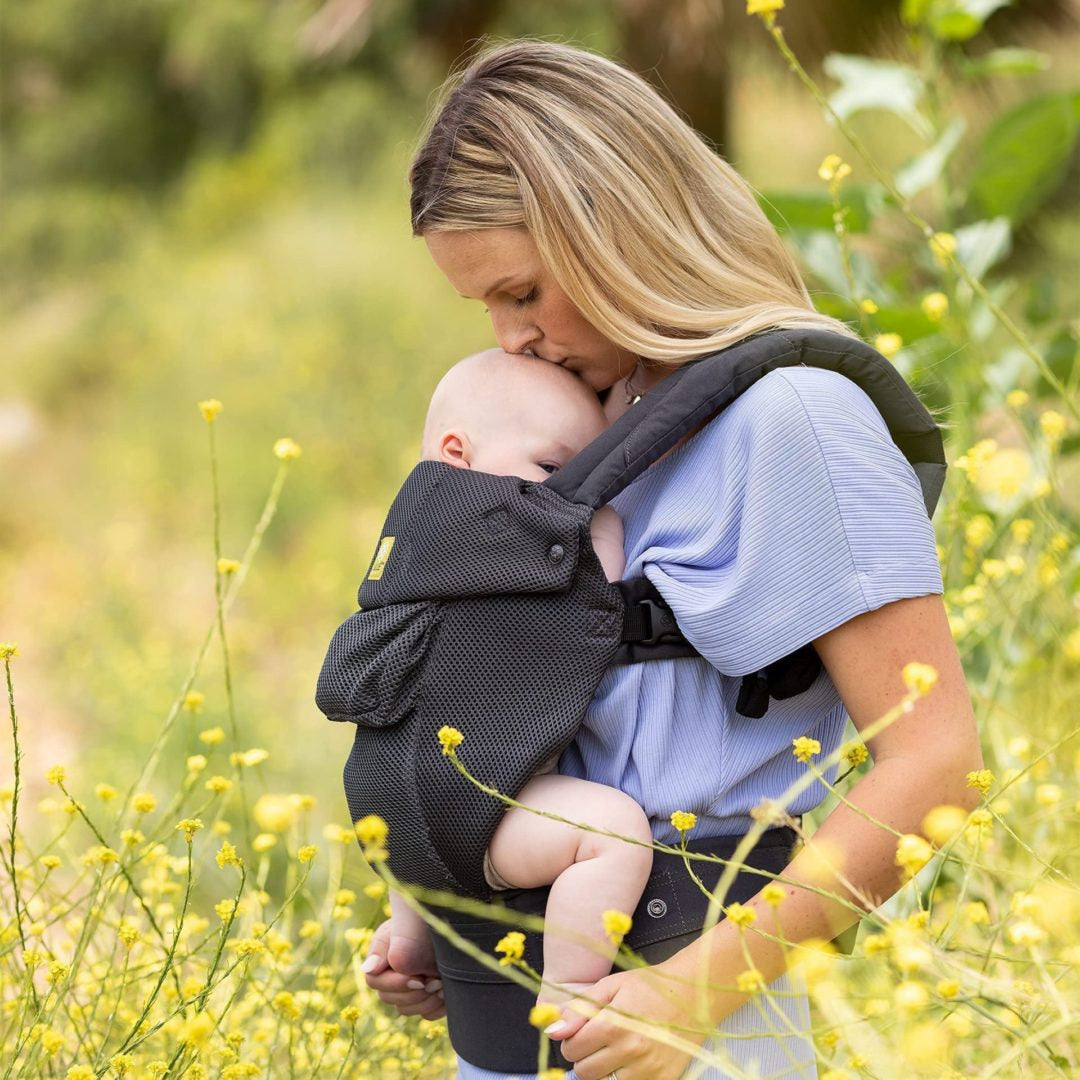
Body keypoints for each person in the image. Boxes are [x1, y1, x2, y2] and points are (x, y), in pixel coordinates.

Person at [361, 40, 984, 1080]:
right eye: (485, 309)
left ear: (616, 225)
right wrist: (442, 920)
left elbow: (935, 763)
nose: (510, 341)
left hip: (697, 1024)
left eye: (522, 291)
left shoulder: (797, 420)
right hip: (522, 1019)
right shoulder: (581, 427)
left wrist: (693, 991)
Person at [385, 346, 652, 1009]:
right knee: (613, 835)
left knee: (418, 831)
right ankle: (568, 995)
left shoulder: (413, 544)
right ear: (458, 455)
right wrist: (610, 519)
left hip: (383, 798)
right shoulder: (508, 532)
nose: (575, 495)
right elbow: (602, 584)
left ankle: (409, 939)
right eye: (555, 469)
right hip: (478, 806)